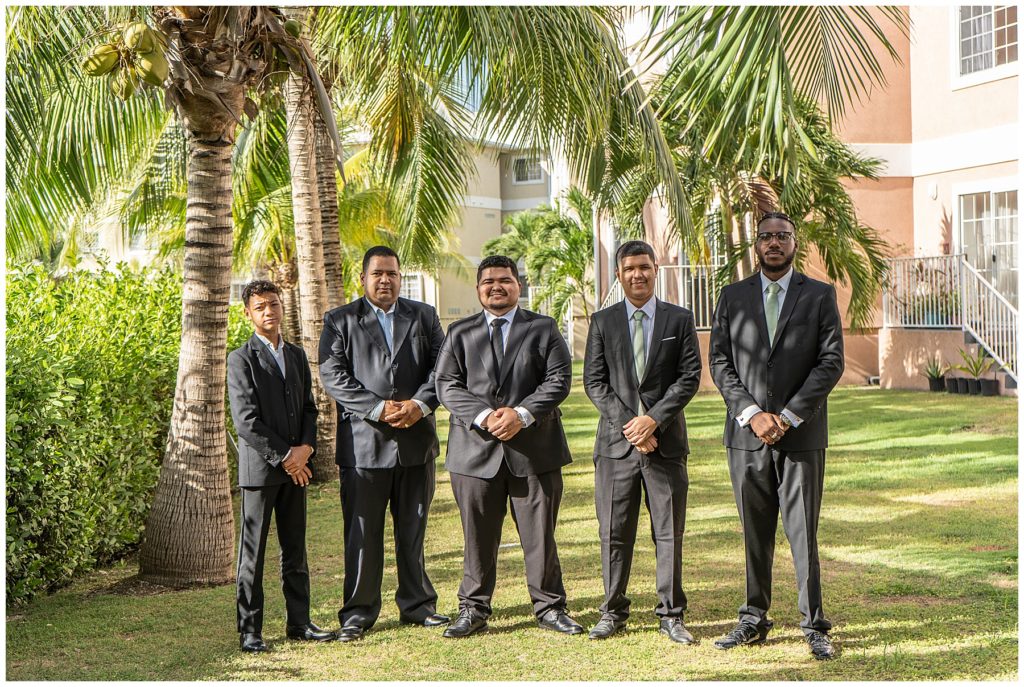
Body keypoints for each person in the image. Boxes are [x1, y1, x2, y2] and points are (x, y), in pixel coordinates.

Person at [708, 212, 844, 660]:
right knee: (754, 530)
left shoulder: (819, 295)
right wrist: (752, 413)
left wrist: (786, 416)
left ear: (794, 242)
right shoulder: (732, 296)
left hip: (800, 436)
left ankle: (814, 624)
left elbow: (831, 363)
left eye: (781, 236)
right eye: (765, 237)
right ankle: (753, 617)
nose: (773, 243)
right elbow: (721, 362)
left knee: (803, 531)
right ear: (756, 244)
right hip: (747, 436)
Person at [434, 255, 583, 639]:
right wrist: (486, 417)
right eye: (488, 281)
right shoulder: (460, 332)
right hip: (474, 453)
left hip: (535, 451)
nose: (496, 286)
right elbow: (447, 385)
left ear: (519, 285)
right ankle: (473, 608)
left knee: (540, 536)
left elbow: (558, 379)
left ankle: (550, 607)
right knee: (477, 537)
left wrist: (521, 413)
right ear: (478, 288)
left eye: (505, 280)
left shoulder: (544, 328)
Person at [318, 246, 449, 642]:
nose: (385, 280)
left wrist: (419, 404)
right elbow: (333, 375)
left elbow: (443, 368)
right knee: (362, 534)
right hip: (364, 448)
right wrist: (376, 408)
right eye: (378, 274)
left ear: (399, 275)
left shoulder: (423, 316)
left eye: (392, 273)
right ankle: (357, 613)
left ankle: (418, 606)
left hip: (415, 444)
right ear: (363, 277)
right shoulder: (340, 320)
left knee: (414, 529)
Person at [582, 240, 702, 644]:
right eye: (630, 268)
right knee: (614, 533)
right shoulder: (602, 322)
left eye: (645, 267)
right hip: (616, 449)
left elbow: (689, 377)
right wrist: (632, 426)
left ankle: (671, 614)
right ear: (618, 274)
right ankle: (613, 611)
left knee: (668, 532)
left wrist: (653, 421)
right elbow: (594, 383)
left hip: (665, 445)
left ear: (656, 270)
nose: (638, 274)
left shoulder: (679, 320)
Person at [227, 280, 334, 653]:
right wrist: (286, 457)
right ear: (248, 313)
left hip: (297, 469)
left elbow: (308, 408)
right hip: (262, 472)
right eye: (260, 307)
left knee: (295, 549)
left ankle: (300, 622)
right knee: (252, 555)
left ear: (282, 306)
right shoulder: (240, 359)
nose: (268, 311)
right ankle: (250, 631)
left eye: (273, 304)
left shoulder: (297, 355)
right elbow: (246, 421)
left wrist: (305, 450)